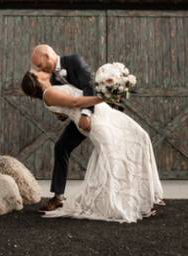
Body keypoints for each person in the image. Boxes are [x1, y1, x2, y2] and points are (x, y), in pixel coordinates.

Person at [21, 66, 165, 223]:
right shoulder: (48, 93)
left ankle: (140, 198)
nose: (41, 69)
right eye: (37, 72)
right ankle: (120, 202)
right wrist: (105, 97)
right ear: (38, 80)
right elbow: (75, 102)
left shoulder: (53, 87)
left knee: (139, 137)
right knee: (114, 155)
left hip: (103, 113)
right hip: (96, 120)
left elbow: (64, 110)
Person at [26, 44, 97, 212]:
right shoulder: (49, 78)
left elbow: (89, 86)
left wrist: (86, 115)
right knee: (61, 147)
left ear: (48, 56)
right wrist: (63, 113)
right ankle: (58, 197)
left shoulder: (74, 60)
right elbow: (66, 100)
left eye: (41, 65)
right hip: (78, 116)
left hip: (94, 111)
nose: (39, 69)